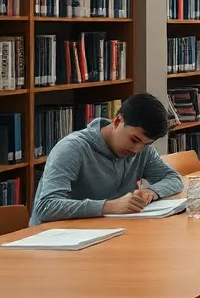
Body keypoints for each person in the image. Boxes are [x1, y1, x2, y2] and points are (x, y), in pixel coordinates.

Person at [31, 93, 183, 225]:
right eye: (134, 139)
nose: (137, 150)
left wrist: (151, 192)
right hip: (55, 240)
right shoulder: (72, 148)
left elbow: (173, 179)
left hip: (104, 232)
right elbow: (46, 206)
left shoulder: (143, 151)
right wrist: (108, 206)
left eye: (146, 144)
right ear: (117, 121)